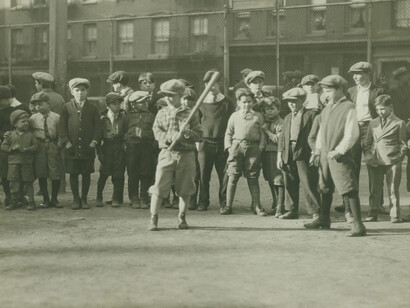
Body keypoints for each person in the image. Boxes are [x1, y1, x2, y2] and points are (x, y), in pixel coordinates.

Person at [304, 75, 366, 237]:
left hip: (339, 155)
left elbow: (352, 133)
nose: (326, 93)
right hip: (325, 154)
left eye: (329, 90)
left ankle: (358, 224)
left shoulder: (349, 107)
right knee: (324, 186)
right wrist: (316, 151)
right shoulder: (326, 109)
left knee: (347, 187)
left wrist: (341, 150)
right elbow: (321, 133)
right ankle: (324, 218)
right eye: (324, 90)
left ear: (340, 90)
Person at [148, 79, 202, 230]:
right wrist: (169, 138)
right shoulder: (161, 113)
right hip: (167, 153)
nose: (167, 98)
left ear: (180, 95)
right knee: (159, 186)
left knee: (185, 188)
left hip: (186, 155)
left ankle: (182, 217)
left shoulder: (190, 114)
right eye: (165, 95)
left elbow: (199, 135)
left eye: (171, 95)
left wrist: (186, 133)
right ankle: (153, 218)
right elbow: (156, 131)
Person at [341, 62, 386, 215]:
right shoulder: (350, 91)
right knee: (352, 165)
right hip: (354, 128)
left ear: (368, 74)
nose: (355, 77)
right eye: (353, 74)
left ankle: (376, 204)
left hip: (371, 128)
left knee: (373, 165)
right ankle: (349, 204)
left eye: (359, 73)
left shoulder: (378, 91)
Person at [277, 88, 320, 220]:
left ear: (303, 101)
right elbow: (283, 138)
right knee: (290, 181)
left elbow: (316, 135)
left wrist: (315, 152)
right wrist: (280, 155)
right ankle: (292, 210)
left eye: (295, 101)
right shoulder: (287, 117)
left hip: (304, 151)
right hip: (288, 151)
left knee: (308, 181)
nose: (292, 104)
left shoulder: (311, 115)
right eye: (289, 101)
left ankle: (315, 211)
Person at [222, 88, 267, 216]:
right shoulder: (234, 116)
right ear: (239, 103)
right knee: (233, 175)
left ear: (253, 102)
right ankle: (228, 205)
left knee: (253, 176)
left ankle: (256, 205)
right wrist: (229, 148)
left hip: (253, 148)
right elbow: (228, 133)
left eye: (249, 102)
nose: (246, 104)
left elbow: (263, 134)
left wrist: (261, 148)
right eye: (244, 102)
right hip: (237, 147)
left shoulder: (258, 116)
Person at [59, 78, 102, 210]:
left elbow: (98, 127)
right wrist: (66, 142)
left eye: (82, 90)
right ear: (71, 92)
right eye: (76, 90)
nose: (80, 93)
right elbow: (62, 126)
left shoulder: (93, 108)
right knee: (73, 173)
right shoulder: (66, 107)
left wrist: (94, 142)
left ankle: (84, 198)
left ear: (87, 91)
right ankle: (76, 199)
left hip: (87, 147)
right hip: (71, 147)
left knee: (86, 173)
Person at [363, 95, 407, 223]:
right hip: (375, 160)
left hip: (392, 160)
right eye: (377, 109)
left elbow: (403, 144)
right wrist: (368, 155)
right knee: (374, 189)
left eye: (382, 109)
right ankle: (372, 214)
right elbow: (367, 142)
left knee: (393, 189)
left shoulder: (399, 123)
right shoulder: (373, 122)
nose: (380, 112)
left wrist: (398, 157)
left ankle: (395, 215)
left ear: (390, 107)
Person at [197, 70, 235, 212]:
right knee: (203, 175)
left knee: (224, 175)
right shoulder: (200, 103)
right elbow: (196, 123)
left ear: (218, 84)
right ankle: (203, 201)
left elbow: (232, 123)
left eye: (213, 83)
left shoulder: (227, 102)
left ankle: (224, 203)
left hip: (222, 144)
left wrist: (229, 144)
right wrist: (198, 142)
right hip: (205, 143)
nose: (210, 86)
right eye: (207, 84)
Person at [29, 93, 62, 208]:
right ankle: (45, 199)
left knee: (55, 172)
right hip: (40, 145)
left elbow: (60, 133)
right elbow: (31, 133)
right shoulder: (33, 118)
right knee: (41, 172)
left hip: (52, 145)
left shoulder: (56, 117)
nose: (37, 107)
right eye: (35, 105)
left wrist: (58, 145)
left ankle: (54, 199)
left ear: (48, 104)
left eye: (40, 104)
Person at [124, 91, 156, 209]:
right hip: (132, 147)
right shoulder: (128, 116)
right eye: (142, 102)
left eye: (146, 101)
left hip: (147, 147)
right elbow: (123, 131)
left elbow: (154, 130)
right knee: (132, 172)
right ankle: (133, 197)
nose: (145, 104)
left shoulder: (151, 116)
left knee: (146, 172)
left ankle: (143, 197)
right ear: (134, 104)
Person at [1, 110, 38, 210]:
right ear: (15, 123)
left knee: (28, 182)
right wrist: (12, 149)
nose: (26, 123)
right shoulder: (10, 135)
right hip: (13, 163)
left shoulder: (30, 135)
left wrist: (28, 149)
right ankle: (14, 201)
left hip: (27, 162)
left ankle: (31, 201)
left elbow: (36, 146)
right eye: (22, 121)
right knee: (13, 183)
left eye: (27, 121)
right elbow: (3, 147)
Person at [0, 86, 29, 209]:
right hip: (4, 146)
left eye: (8, 99)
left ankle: (20, 195)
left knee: (21, 170)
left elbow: (28, 122)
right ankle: (9, 196)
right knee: (6, 172)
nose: (8, 101)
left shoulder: (21, 108)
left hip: (20, 143)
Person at [96, 92, 127, 208]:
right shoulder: (102, 117)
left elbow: (128, 130)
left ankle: (115, 198)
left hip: (119, 146)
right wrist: (99, 151)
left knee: (118, 173)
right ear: (107, 105)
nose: (118, 106)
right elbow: (98, 135)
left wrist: (125, 139)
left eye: (119, 103)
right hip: (107, 146)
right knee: (104, 172)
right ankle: (99, 196)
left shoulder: (124, 116)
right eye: (114, 104)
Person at [260, 97, 285, 217]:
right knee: (270, 178)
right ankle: (275, 204)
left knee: (279, 179)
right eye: (266, 109)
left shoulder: (281, 122)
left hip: (276, 153)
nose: (269, 112)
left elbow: (279, 139)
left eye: (272, 109)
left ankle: (281, 206)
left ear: (279, 109)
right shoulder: (266, 121)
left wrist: (267, 131)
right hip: (267, 153)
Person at [388, 67, 410, 194]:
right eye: (402, 75)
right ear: (398, 78)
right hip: (397, 126)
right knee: (394, 161)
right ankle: (393, 195)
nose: (405, 77)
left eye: (406, 75)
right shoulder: (392, 91)